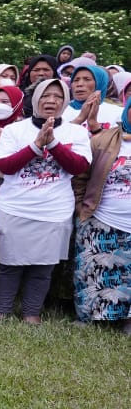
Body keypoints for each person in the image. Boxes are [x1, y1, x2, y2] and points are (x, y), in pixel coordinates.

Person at [0, 79, 91, 323]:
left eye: (58, 96)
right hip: (15, 207)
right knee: (9, 263)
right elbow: (5, 165)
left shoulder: (76, 132)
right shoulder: (15, 130)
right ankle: (1, 310)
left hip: (53, 210)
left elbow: (79, 166)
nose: (51, 101)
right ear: (35, 99)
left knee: (43, 267)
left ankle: (31, 313)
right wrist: (37, 145)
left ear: (65, 102)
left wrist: (54, 143)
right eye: (46, 95)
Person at [74, 103, 131, 331]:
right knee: (94, 271)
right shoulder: (103, 139)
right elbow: (81, 175)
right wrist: (81, 206)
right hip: (102, 217)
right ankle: (89, 317)